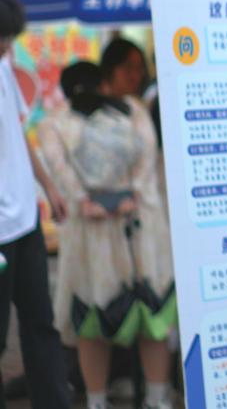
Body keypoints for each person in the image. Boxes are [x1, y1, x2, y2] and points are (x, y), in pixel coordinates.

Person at [38, 48, 176, 409]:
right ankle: (130, 398)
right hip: (113, 229)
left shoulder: (125, 112)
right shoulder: (120, 113)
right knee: (101, 317)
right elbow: (144, 157)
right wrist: (112, 197)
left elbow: (60, 166)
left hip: (122, 227)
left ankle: (127, 398)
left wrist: (94, 200)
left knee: (142, 314)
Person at [0, 0, 71, 409]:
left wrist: (49, 187)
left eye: (10, 37)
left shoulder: (4, 69)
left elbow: (18, 135)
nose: (7, 46)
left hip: (25, 221)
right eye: (2, 38)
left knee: (41, 323)